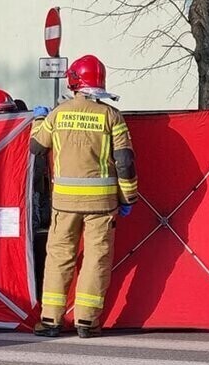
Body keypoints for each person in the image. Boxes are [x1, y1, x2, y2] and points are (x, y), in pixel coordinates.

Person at [30, 55, 138, 339]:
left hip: (64, 204)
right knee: (95, 260)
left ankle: (51, 320)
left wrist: (39, 119)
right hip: (101, 205)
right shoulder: (111, 116)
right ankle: (87, 321)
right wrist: (128, 197)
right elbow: (125, 162)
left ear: (73, 81)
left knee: (59, 258)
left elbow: (36, 147)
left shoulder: (58, 114)